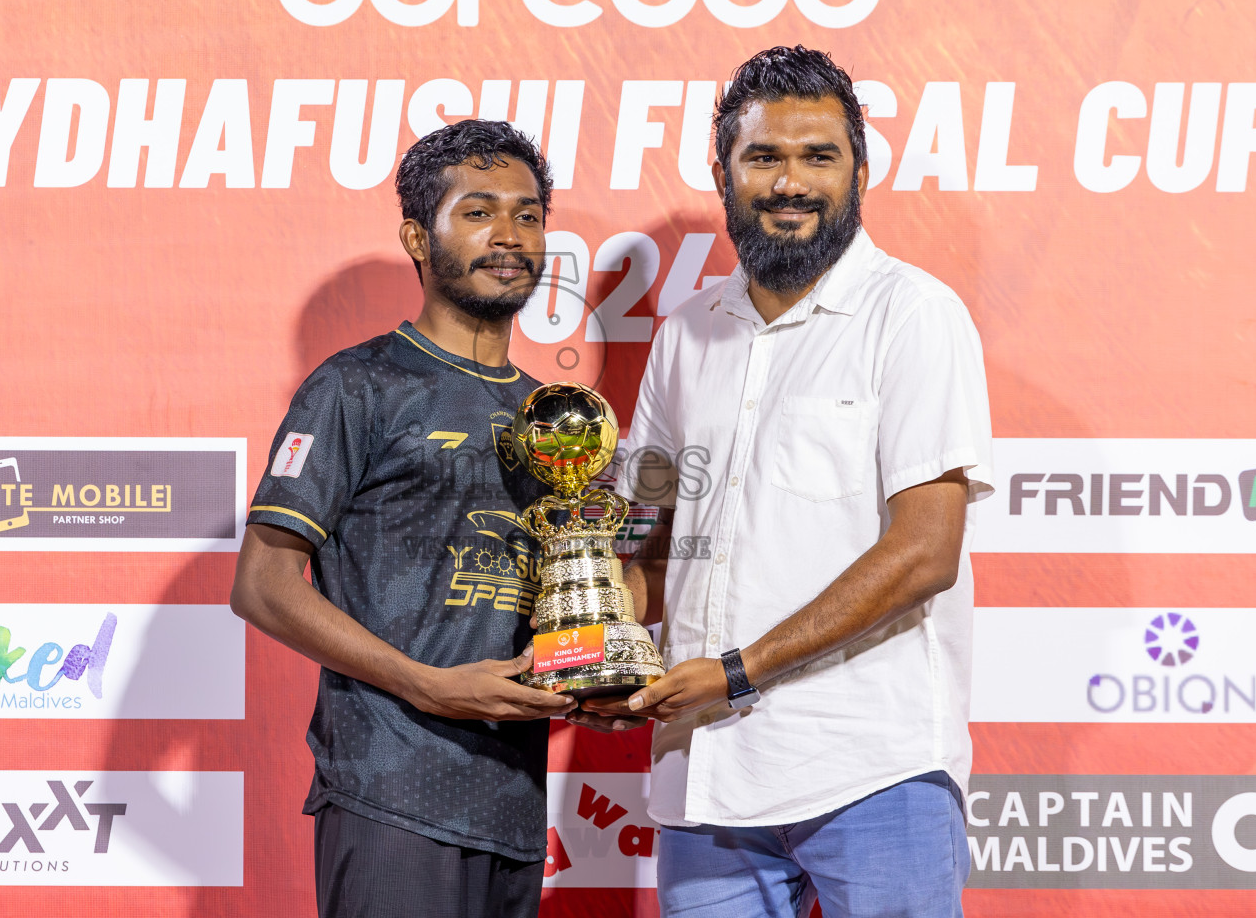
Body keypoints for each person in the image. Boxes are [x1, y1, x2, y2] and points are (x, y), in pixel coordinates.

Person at [588, 46, 994, 917]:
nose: (790, 183)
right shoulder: (686, 332)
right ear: (723, 170)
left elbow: (925, 554)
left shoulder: (914, 316)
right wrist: (606, 654)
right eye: (764, 156)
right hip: (707, 777)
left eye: (819, 156)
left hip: (871, 766)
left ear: (861, 169)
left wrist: (737, 672)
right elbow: (650, 539)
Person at [230, 118, 577, 918]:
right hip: (393, 794)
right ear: (418, 237)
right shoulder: (357, 385)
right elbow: (262, 584)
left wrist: (593, 673)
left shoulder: (555, 416)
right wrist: (427, 686)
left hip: (513, 806)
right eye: (478, 211)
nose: (509, 236)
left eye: (528, 215)